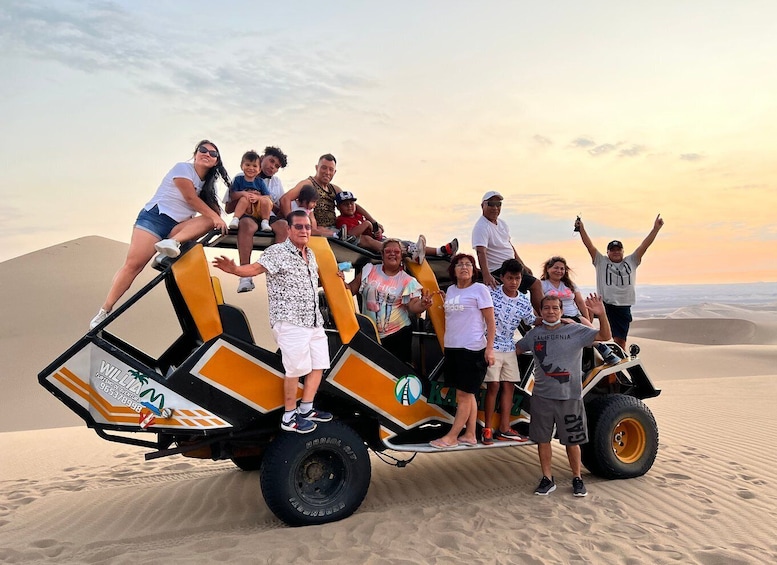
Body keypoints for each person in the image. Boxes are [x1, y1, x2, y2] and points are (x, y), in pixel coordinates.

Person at [212, 210, 333, 434]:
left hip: (313, 320)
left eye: (307, 226)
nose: (304, 230)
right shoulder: (277, 252)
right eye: (299, 227)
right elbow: (256, 269)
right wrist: (236, 270)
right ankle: (289, 416)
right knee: (295, 369)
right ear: (288, 229)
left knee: (319, 365)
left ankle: (306, 408)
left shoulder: (311, 254)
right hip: (289, 320)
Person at [89, 140, 230, 329]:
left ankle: (172, 243)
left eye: (213, 154)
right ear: (195, 153)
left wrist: (219, 218)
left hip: (178, 227)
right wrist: (215, 216)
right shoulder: (183, 169)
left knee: (209, 220)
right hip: (156, 217)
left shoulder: (208, 185)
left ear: (216, 162)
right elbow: (190, 198)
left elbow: (214, 214)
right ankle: (104, 311)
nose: (207, 154)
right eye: (203, 150)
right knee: (134, 265)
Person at [515, 293, 612, 497]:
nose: (551, 311)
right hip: (541, 397)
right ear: (540, 312)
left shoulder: (576, 331)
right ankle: (547, 479)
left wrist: (602, 314)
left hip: (570, 397)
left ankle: (577, 478)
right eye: (546, 308)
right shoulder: (534, 334)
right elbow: (514, 350)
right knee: (543, 440)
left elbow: (604, 337)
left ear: (562, 310)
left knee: (572, 441)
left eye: (555, 308)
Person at [430, 253, 495, 449]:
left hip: (472, 348)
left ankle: (451, 436)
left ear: (473, 269)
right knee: (468, 394)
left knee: (463, 396)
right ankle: (469, 435)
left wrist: (490, 349)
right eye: (459, 265)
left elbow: (491, 322)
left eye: (468, 264)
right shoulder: (450, 290)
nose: (464, 267)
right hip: (453, 348)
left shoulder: (480, 289)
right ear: (454, 270)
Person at [575, 214, 664, 350]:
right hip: (605, 304)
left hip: (623, 306)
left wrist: (656, 229)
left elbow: (644, 246)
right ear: (608, 252)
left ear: (623, 251)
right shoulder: (601, 261)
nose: (616, 252)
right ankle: (585, 344)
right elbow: (589, 246)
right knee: (587, 307)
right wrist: (581, 229)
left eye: (618, 250)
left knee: (619, 342)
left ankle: (617, 366)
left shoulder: (632, 260)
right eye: (612, 250)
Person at [347, 239, 434, 363]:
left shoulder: (407, 281)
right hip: (369, 333)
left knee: (396, 375)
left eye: (396, 252)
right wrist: (339, 278)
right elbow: (350, 289)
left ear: (401, 256)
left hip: (398, 335)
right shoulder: (369, 270)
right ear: (382, 254)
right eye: (388, 251)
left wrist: (423, 304)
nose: (392, 254)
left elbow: (413, 306)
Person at [482, 259, 535, 446]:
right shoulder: (491, 294)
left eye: (517, 278)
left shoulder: (523, 300)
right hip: (491, 346)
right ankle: (487, 428)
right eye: (510, 278)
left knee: (509, 387)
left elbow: (532, 321)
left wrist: (559, 321)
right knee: (493, 386)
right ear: (502, 277)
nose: (514, 282)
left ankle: (504, 428)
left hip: (509, 347)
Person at [224, 146, 289, 293]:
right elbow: (228, 208)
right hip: (248, 214)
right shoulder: (241, 177)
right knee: (246, 224)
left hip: (267, 215)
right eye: (271, 161)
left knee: (284, 226)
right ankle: (245, 274)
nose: (273, 167)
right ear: (262, 158)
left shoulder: (276, 182)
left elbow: (278, 208)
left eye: (277, 166)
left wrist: (265, 200)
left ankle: (275, 271)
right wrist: (244, 195)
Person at [335, 191, 458, 263]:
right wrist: (367, 224)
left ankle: (441, 251)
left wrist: (378, 228)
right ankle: (409, 253)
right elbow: (351, 234)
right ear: (339, 207)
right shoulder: (341, 220)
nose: (350, 206)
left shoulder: (358, 214)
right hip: (373, 246)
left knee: (405, 242)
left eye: (352, 203)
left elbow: (379, 227)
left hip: (381, 239)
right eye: (346, 204)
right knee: (396, 246)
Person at [279, 154, 382, 240]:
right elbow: (285, 199)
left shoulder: (334, 189)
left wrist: (374, 222)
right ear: (316, 168)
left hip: (335, 227)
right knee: (363, 240)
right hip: (316, 227)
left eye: (331, 169)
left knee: (368, 237)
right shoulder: (308, 184)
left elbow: (352, 205)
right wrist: (292, 223)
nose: (327, 172)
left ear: (334, 172)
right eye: (324, 168)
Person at [472, 191, 542, 313]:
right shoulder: (481, 227)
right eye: (491, 204)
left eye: (498, 204)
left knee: (536, 284)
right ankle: (543, 317)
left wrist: (523, 265)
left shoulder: (503, 224)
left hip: (512, 265)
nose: (495, 208)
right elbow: (480, 252)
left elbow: (509, 246)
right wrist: (486, 275)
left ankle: (543, 317)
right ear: (482, 205)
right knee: (534, 284)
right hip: (499, 269)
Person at [227, 150, 274, 232]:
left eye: (255, 166)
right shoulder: (238, 179)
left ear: (259, 169)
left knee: (266, 200)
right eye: (247, 165)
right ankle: (235, 219)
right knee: (244, 198)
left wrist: (258, 197)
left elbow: (268, 196)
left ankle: (265, 221)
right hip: (246, 209)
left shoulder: (259, 182)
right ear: (242, 166)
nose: (251, 168)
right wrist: (243, 193)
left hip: (258, 209)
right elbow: (232, 195)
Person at [540, 256, 590, 324]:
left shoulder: (570, 284)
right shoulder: (542, 284)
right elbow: (538, 305)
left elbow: (580, 302)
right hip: (555, 318)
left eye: (562, 269)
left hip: (574, 316)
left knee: (593, 331)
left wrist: (587, 319)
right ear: (548, 269)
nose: (559, 271)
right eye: (556, 268)